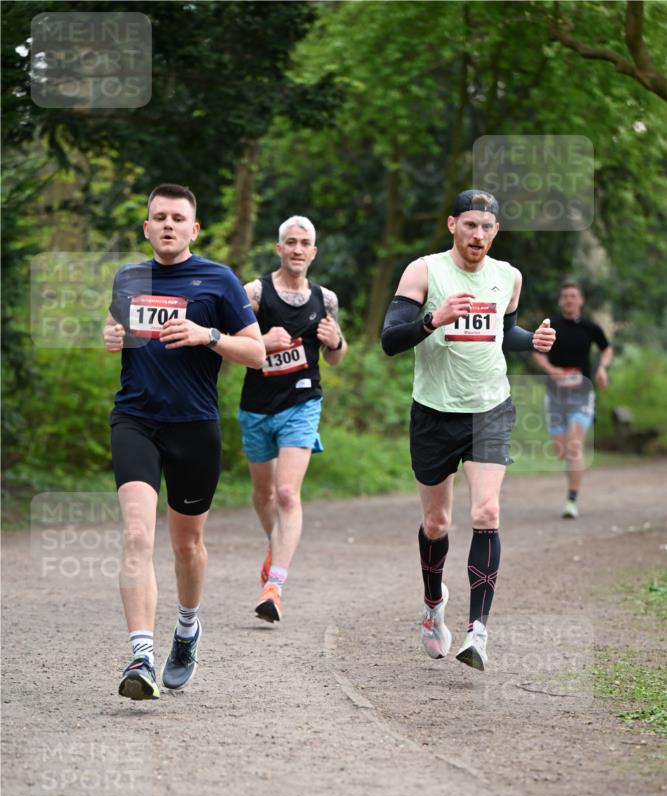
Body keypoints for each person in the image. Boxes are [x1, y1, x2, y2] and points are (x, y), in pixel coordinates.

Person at [381, 189, 555, 671]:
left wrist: (532, 340)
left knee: (487, 510)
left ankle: (478, 631)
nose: (479, 235)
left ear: (497, 232)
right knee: (437, 524)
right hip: (434, 411)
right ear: (452, 224)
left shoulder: (509, 277)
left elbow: (504, 333)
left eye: (488, 227)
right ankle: (434, 605)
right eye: (470, 225)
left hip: (489, 409)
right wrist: (435, 318)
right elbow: (390, 339)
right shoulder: (425, 271)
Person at [103, 183, 265, 701]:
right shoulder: (128, 278)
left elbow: (258, 353)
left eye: (178, 218)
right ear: (146, 227)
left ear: (193, 229)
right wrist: (111, 334)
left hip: (194, 426)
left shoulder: (219, 280)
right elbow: (120, 327)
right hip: (135, 419)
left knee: (186, 544)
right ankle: (141, 655)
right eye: (159, 217)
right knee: (135, 533)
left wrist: (208, 336)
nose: (167, 224)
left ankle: (189, 627)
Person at [238, 215, 346, 623]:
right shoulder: (254, 293)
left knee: (286, 493)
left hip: (302, 404)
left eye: (305, 243)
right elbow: (231, 346)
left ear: (313, 252)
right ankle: (276, 544)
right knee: (264, 496)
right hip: (256, 407)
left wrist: (335, 341)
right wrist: (260, 343)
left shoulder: (327, 299)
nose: (298, 249)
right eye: (291, 242)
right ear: (279, 248)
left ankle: (274, 587)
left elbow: (336, 356)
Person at [532, 281, 612, 518]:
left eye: (573, 296)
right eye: (565, 296)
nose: (569, 300)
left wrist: (602, 368)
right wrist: (550, 369)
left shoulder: (590, 327)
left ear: (581, 300)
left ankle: (571, 500)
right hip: (556, 395)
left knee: (574, 446)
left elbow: (606, 348)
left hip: (581, 393)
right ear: (560, 300)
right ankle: (572, 474)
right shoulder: (551, 325)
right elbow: (536, 351)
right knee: (561, 451)